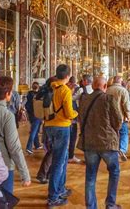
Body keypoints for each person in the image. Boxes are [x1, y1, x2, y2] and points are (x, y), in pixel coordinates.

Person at [78, 76, 122, 209]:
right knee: (114, 172)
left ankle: (91, 207)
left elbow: (80, 119)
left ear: (94, 86)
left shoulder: (84, 99)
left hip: (90, 143)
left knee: (90, 177)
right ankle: (110, 204)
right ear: (104, 87)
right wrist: (113, 131)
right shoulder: (109, 99)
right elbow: (118, 121)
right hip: (107, 143)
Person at [44, 65, 78, 207]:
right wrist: (77, 114)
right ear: (68, 76)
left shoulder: (50, 87)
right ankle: (53, 197)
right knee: (59, 162)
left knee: (62, 159)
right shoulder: (65, 90)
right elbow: (69, 113)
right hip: (62, 127)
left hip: (48, 126)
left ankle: (60, 189)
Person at [106, 76, 130, 162]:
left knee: (113, 134)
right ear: (120, 82)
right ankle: (122, 150)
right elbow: (126, 105)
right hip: (121, 117)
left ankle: (112, 149)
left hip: (109, 116)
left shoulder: (107, 90)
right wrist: (128, 115)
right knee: (123, 133)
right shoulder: (123, 90)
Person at [70, 74, 94, 163]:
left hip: (83, 116)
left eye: (83, 80)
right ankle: (91, 155)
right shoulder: (95, 89)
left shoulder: (81, 90)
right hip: (93, 115)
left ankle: (87, 153)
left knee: (84, 134)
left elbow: (72, 98)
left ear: (85, 81)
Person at [25, 81, 43, 154]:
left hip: (31, 114)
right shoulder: (38, 95)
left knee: (34, 129)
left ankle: (37, 144)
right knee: (34, 131)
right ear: (38, 87)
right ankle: (29, 147)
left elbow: (26, 105)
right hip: (37, 114)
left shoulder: (29, 94)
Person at [67, 76, 81, 164]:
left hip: (64, 119)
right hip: (72, 117)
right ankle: (70, 156)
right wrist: (77, 114)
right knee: (72, 137)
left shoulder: (62, 89)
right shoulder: (77, 90)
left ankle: (68, 155)